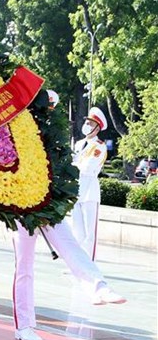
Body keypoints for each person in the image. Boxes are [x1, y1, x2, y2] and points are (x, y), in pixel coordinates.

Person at [12, 220, 126, 340]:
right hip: (20, 214)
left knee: (70, 246)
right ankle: (24, 326)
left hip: (49, 210)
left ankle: (99, 288)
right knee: (24, 267)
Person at [72, 107, 108, 260]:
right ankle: (78, 264)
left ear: (97, 128)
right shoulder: (79, 144)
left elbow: (87, 167)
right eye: (86, 122)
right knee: (77, 231)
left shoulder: (99, 146)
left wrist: (73, 166)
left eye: (90, 123)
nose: (86, 125)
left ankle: (89, 265)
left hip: (90, 192)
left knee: (89, 233)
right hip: (76, 190)